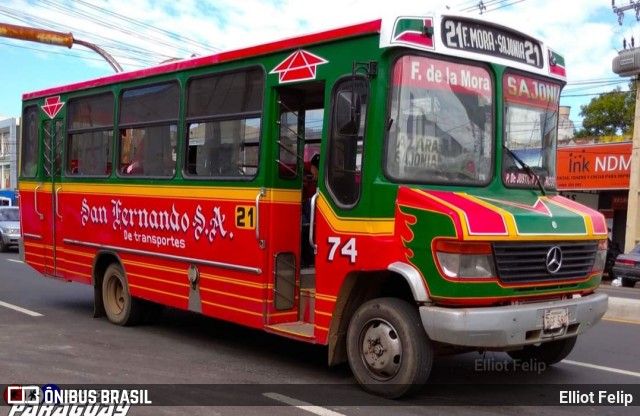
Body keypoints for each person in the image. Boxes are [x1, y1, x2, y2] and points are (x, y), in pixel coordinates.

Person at [301, 154, 320, 267]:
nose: (316, 172)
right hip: (301, 207)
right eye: (315, 168)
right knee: (305, 227)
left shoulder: (321, 181)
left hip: (312, 208)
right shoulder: (304, 171)